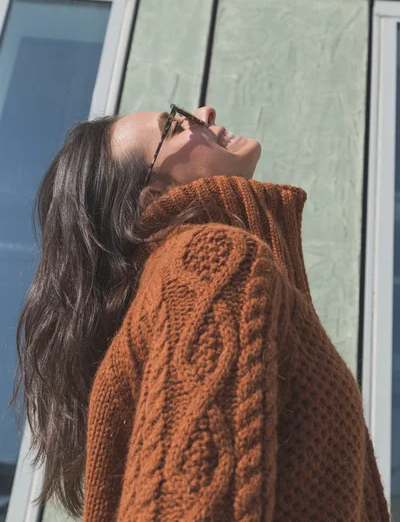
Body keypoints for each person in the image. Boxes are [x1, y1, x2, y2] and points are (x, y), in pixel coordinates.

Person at [11, 105, 390, 521]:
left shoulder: (188, 286)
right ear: (156, 197)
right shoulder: (208, 264)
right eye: (174, 126)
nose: (203, 112)